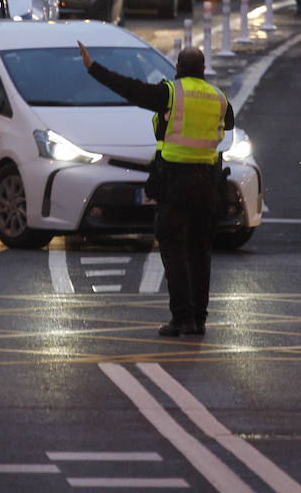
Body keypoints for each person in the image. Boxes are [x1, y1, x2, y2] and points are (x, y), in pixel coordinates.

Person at [77, 41, 232, 337]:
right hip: (208, 185)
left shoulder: (170, 93)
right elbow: (230, 123)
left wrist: (93, 68)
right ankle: (199, 320)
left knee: (174, 250)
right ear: (203, 70)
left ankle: (182, 318)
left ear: (177, 69)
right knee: (201, 253)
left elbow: (130, 88)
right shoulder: (219, 97)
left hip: (176, 184)